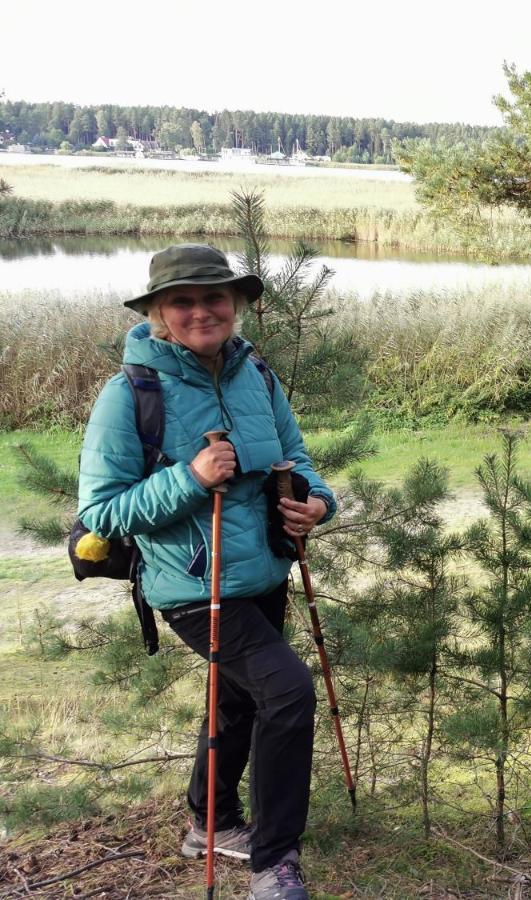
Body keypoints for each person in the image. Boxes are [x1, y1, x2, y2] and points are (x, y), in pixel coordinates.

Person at [77, 244, 335, 900]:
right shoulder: (129, 394)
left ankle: (208, 823)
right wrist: (189, 479)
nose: (201, 311)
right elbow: (103, 512)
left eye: (214, 297)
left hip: (265, 570)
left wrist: (315, 502)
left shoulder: (258, 375)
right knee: (288, 692)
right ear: (159, 314)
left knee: (240, 697)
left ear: (237, 303)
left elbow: (297, 454)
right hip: (194, 588)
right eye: (182, 301)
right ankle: (275, 865)